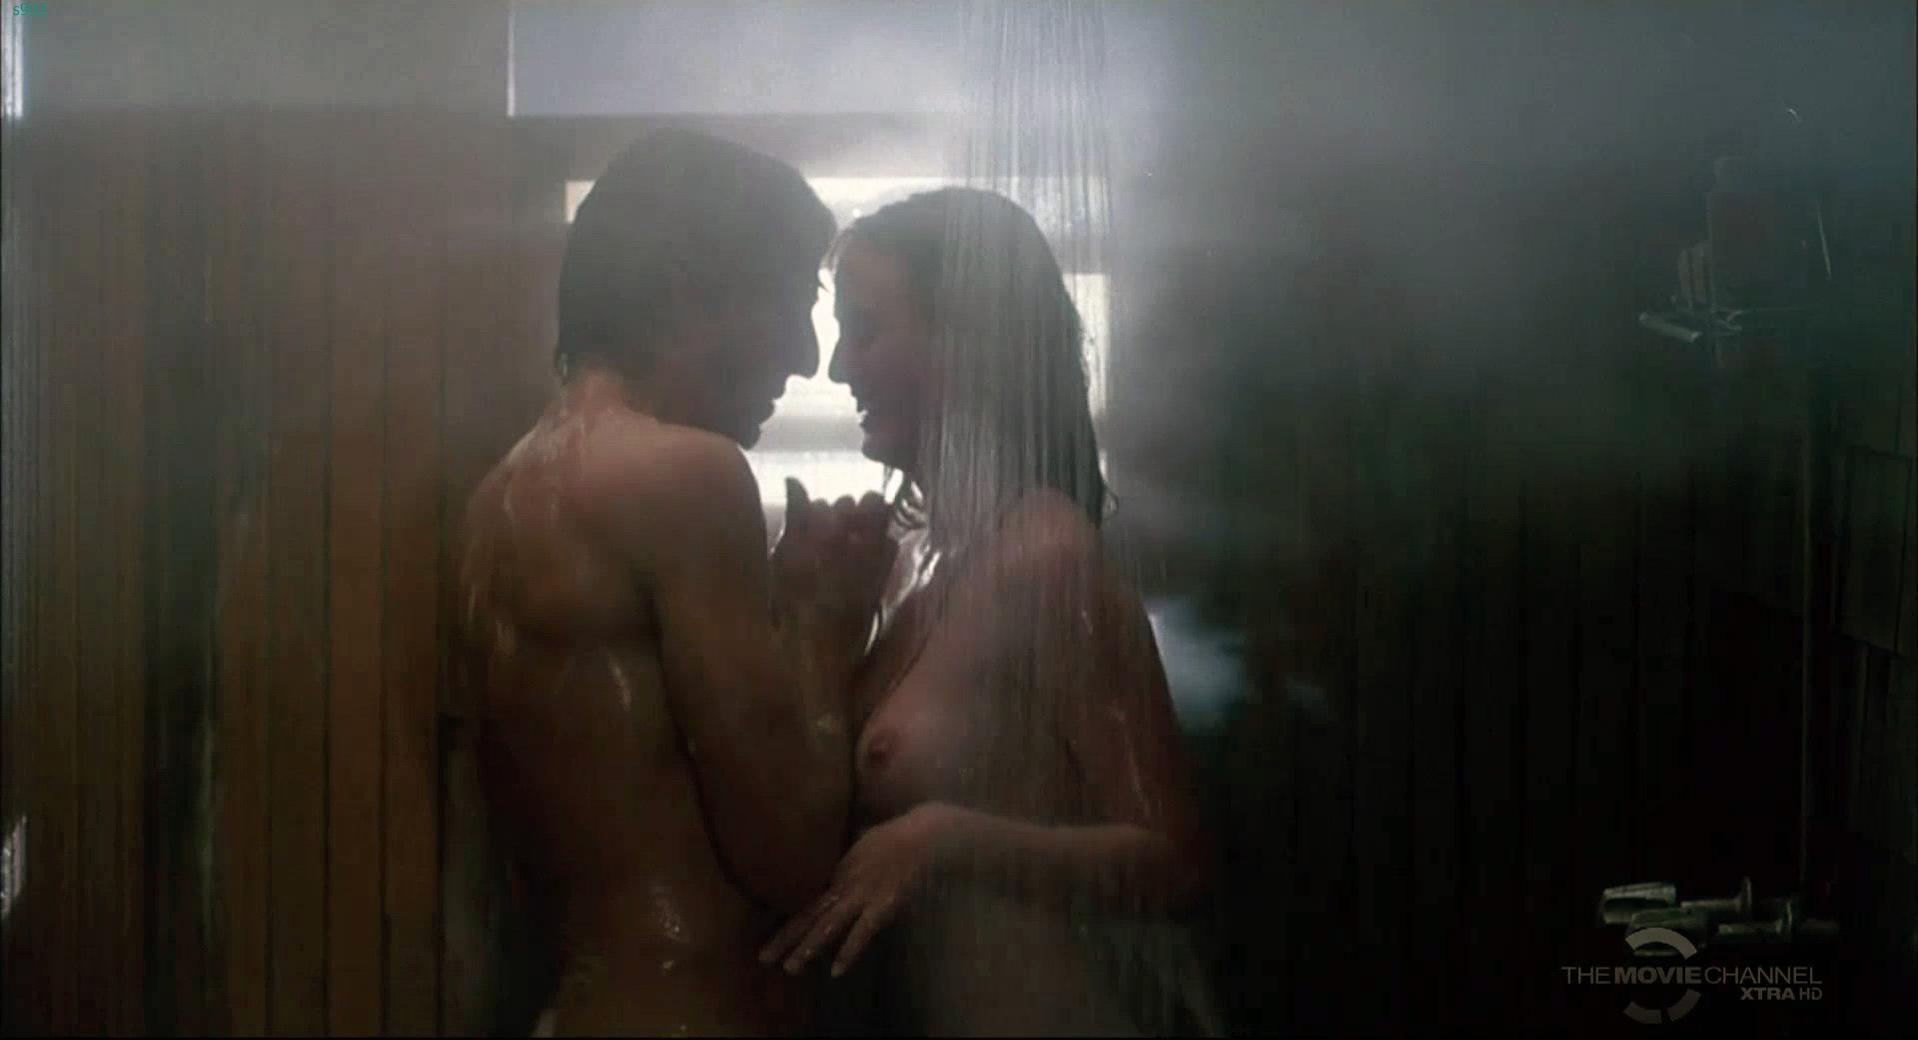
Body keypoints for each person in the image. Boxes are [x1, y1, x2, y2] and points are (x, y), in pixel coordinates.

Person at [456, 128, 894, 1037]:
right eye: (793, 301)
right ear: (694, 286)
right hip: (690, 1007)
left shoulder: (501, 492)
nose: (805, 356)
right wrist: (822, 624)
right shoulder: (684, 475)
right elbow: (790, 851)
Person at [759, 188, 1219, 1035]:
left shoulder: (1045, 558)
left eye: (865, 331)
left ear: (968, 348)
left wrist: (947, 840)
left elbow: (1177, 862)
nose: (838, 370)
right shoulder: (910, 557)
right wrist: (821, 624)